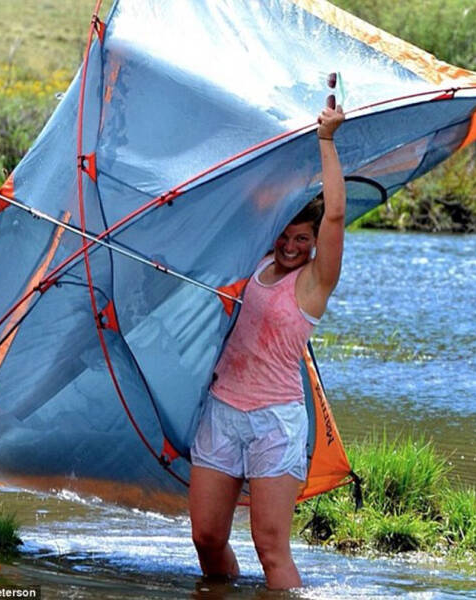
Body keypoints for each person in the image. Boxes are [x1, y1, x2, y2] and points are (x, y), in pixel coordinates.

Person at [189, 104, 346, 590]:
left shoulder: (315, 283)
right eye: (284, 234)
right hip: (223, 411)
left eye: (302, 237)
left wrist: (325, 140)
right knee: (207, 538)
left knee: (271, 550)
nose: (291, 245)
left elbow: (336, 213)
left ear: (315, 242)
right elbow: (247, 196)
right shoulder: (256, 261)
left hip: (274, 423)